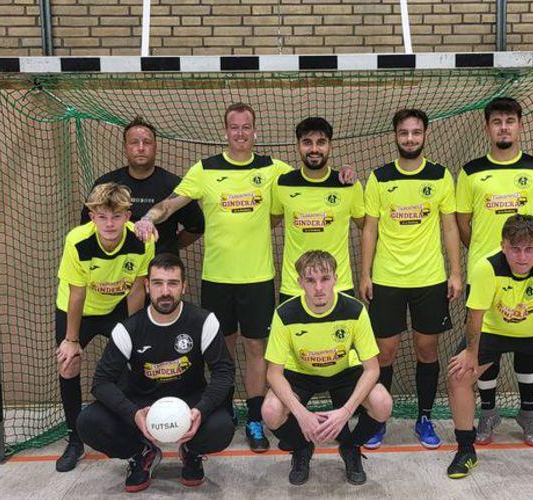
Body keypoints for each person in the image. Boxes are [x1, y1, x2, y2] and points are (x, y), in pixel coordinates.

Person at [134, 103, 354, 452]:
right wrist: (148, 217)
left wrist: (344, 175)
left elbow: (312, 174)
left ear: (255, 131)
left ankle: (254, 417)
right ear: (226, 132)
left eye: (246, 127)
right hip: (217, 278)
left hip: (258, 278)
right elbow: (170, 204)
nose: (240, 133)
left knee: (256, 349)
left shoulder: (272, 169)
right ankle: (221, 410)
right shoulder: (205, 169)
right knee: (221, 349)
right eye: (234, 127)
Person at [446, 215, 533, 482]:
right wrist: (470, 353)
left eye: (529, 249)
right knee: (458, 376)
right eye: (515, 249)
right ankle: (465, 450)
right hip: (494, 330)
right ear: (503, 245)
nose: (522, 257)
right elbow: (475, 317)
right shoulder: (486, 267)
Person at [76, 253, 235, 492]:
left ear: (183, 286)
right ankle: (141, 453)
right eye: (158, 283)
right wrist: (133, 414)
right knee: (88, 422)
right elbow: (101, 382)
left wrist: (201, 410)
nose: (165, 291)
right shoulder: (128, 329)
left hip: (189, 403)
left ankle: (191, 452)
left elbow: (224, 371)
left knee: (222, 428)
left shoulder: (204, 321)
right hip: (142, 404)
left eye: (173, 283)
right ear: (147, 286)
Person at [455, 97, 533, 446]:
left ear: (520, 126)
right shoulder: (470, 172)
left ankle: (527, 413)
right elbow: (463, 224)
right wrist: (488, 260)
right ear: (487, 128)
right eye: (497, 121)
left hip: (527, 276)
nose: (504, 127)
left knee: (527, 343)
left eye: (510, 121)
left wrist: (524, 258)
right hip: (485, 276)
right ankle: (488, 412)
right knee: (487, 346)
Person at [358, 108, 463, 449]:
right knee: (384, 353)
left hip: (429, 278)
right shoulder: (379, 177)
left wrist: (455, 272)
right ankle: (378, 420)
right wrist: (365, 274)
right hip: (387, 279)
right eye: (404, 133)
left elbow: (450, 227)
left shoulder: (440, 176)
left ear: (425, 135)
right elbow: (369, 229)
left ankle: (425, 418)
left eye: (416, 132)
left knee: (426, 349)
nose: (410, 138)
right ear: (395, 136)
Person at [262, 250, 392, 486]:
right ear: (300, 282)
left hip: (344, 372)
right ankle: (302, 448)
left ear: (336, 279)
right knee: (271, 411)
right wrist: (301, 415)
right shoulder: (285, 314)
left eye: (325, 279)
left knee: (382, 403)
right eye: (310, 280)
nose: (319, 288)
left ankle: (350, 447)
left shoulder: (354, 310)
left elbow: (372, 369)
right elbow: (273, 373)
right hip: (300, 373)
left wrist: (346, 412)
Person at [53, 182, 155, 472]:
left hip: (115, 308)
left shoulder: (142, 239)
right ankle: (75, 439)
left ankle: (131, 429)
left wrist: (133, 334)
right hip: (78, 310)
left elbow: (137, 289)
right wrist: (71, 340)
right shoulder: (78, 241)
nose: (109, 224)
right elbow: (77, 294)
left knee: (132, 363)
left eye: (116, 216)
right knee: (68, 363)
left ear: (127, 216)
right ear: (92, 216)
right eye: (102, 217)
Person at [271, 117, 365, 303]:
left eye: (321, 142)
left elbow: (367, 226)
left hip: (339, 286)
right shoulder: (282, 183)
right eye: (307, 142)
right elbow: (269, 221)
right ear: (298, 146)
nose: (314, 149)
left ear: (330, 146)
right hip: (294, 287)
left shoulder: (348, 185)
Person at [80, 116, 204, 257]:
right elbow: (87, 226)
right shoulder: (106, 184)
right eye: (134, 142)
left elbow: (196, 227)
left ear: (155, 148)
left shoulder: (174, 185)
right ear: (125, 148)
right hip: (117, 266)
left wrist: (168, 247)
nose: (140, 148)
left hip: (159, 266)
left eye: (147, 142)